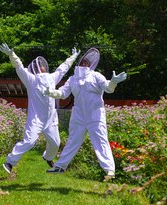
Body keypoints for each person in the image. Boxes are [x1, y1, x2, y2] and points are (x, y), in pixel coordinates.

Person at [43, 48, 127, 179]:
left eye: (87, 63)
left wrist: (113, 82)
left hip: (96, 115)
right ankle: (60, 166)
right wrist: (51, 92)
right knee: (72, 141)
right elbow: (63, 93)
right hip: (78, 116)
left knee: (101, 141)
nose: (84, 64)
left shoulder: (96, 76)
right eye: (83, 62)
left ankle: (110, 170)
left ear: (91, 65)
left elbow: (108, 89)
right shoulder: (72, 79)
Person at [0, 43, 80, 173]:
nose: (42, 68)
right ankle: (10, 162)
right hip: (36, 118)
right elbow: (19, 66)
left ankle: (47, 157)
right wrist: (11, 54)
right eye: (40, 66)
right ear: (36, 68)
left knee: (55, 143)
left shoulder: (52, 77)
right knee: (29, 142)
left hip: (51, 119)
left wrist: (73, 57)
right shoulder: (31, 79)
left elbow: (63, 68)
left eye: (43, 66)